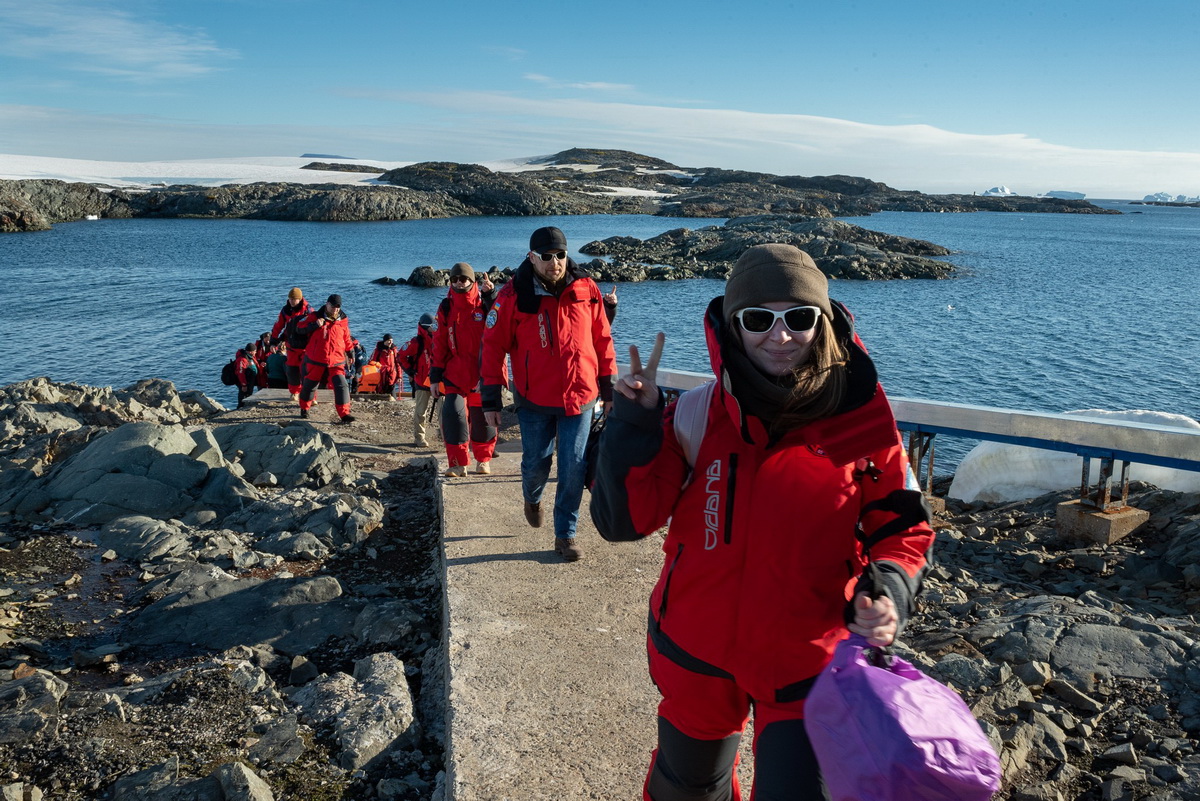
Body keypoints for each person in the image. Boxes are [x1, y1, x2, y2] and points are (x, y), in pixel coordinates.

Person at [590, 243, 936, 799]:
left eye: (799, 318)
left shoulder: (863, 423)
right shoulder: (695, 415)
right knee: (685, 789)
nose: (780, 337)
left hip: (811, 665)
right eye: (758, 320)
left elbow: (904, 527)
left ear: (823, 323)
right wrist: (633, 423)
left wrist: (890, 586)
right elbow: (623, 521)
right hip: (697, 657)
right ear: (732, 326)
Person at [481, 226, 616, 562]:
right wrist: (490, 400)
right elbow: (492, 347)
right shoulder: (512, 296)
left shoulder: (586, 287)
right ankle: (532, 497)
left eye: (560, 255)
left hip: (581, 395)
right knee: (536, 465)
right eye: (546, 256)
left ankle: (565, 534)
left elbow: (602, 338)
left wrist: (609, 385)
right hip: (534, 399)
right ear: (532, 257)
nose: (554, 262)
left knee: (573, 466)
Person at [432, 263, 498, 476]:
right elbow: (440, 342)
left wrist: (491, 296)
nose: (459, 283)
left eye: (464, 279)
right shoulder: (446, 307)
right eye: (455, 279)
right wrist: (434, 376)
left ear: (473, 281)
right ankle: (457, 463)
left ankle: (483, 459)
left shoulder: (484, 303)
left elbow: (501, 321)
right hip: (455, 372)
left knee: (482, 420)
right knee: (453, 416)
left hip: (482, 371)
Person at [297, 294, 355, 424]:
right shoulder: (314, 317)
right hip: (316, 358)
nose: (335, 309)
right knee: (310, 385)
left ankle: (344, 414)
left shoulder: (343, 321)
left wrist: (350, 352)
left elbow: (346, 338)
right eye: (333, 306)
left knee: (342, 386)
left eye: (338, 307)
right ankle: (304, 408)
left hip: (337, 360)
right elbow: (299, 328)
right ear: (327, 304)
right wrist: (314, 325)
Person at [399, 313, 436, 447]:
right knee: (421, 411)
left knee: (445, 412)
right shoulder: (416, 343)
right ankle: (419, 437)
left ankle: (447, 437)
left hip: (439, 381)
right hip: (422, 381)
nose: (435, 328)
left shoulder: (439, 340)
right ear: (426, 327)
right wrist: (410, 371)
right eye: (432, 326)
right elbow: (401, 356)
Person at [270, 287, 311, 400]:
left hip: (305, 347)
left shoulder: (308, 311)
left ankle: (310, 395)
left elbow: (315, 328)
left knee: (307, 371)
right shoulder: (285, 311)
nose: (292, 301)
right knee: (292, 371)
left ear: (300, 299)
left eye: (294, 299)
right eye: (290, 299)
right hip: (291, 346)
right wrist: (273, 341)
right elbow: (278, 326)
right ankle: (294, 392)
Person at [233, 343, 257, 408]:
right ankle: (241, 407)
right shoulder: (242, 360)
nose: (256, 352)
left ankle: (246, 406)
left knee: (248, 394)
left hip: (249, 380)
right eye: (255, 351)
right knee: (243, 394)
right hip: (244, 382)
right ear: (250, 352)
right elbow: (241, 373)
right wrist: (244, 385)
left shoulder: (249, 357)